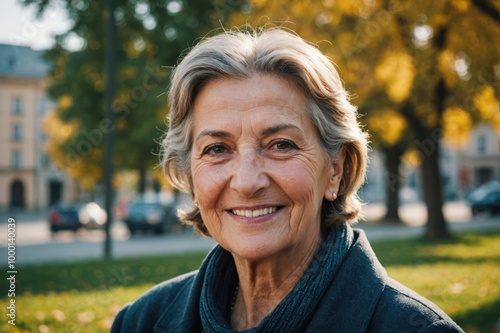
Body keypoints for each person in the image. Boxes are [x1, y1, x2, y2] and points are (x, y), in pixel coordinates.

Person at [111, 27, 463, 332]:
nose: (247, 182)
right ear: (188, 171)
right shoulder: (140, 322)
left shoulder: (415, 328)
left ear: (335, 170)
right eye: (217, 148)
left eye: (281, 145)